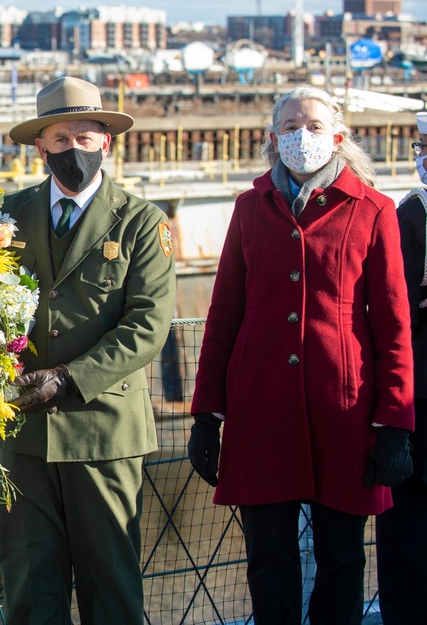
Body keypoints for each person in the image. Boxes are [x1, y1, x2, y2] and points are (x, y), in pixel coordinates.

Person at [0, 76, 177, 624]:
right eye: (61, 140)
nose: (74, 151)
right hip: (22, 436)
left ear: (106, 141)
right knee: (30, 592)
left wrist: (67, 377)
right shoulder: (4, 217)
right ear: (41, 146)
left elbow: (148, 325)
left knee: (111, 588)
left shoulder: (140, 221)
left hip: (102, 431)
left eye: (86, 138)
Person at [187, 84, 414, 625]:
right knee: (269, 558)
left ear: (338, 136)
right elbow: (223, 317)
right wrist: (205, 416)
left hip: (346, 413)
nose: (301, 136)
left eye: (312, 126)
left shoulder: (374, 210)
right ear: (272, 138)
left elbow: (393, 324)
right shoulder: (249, 207)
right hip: (261, 411)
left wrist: (395, 424)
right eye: (290, 127)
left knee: (342, 556)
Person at [376, 111, 427, 625]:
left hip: (415, 394)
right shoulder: (412, 216)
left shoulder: (411, 215)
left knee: (407, 533)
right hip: (414, 399)